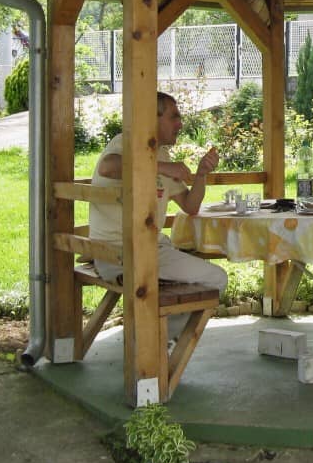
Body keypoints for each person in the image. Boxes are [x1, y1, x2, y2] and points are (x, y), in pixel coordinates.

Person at [89, 91, 227, 338]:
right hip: (115, 254)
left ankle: (159, 340)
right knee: (215, 279)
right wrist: (163, 167)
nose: (180, 124)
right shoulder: (126, 142)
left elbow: (190, 205)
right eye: (174, 117)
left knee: (216, 278)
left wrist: (202, 173)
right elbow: (108, 167)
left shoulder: (161, 153)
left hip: (152, 251)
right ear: (152, 118)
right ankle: (155, 342)